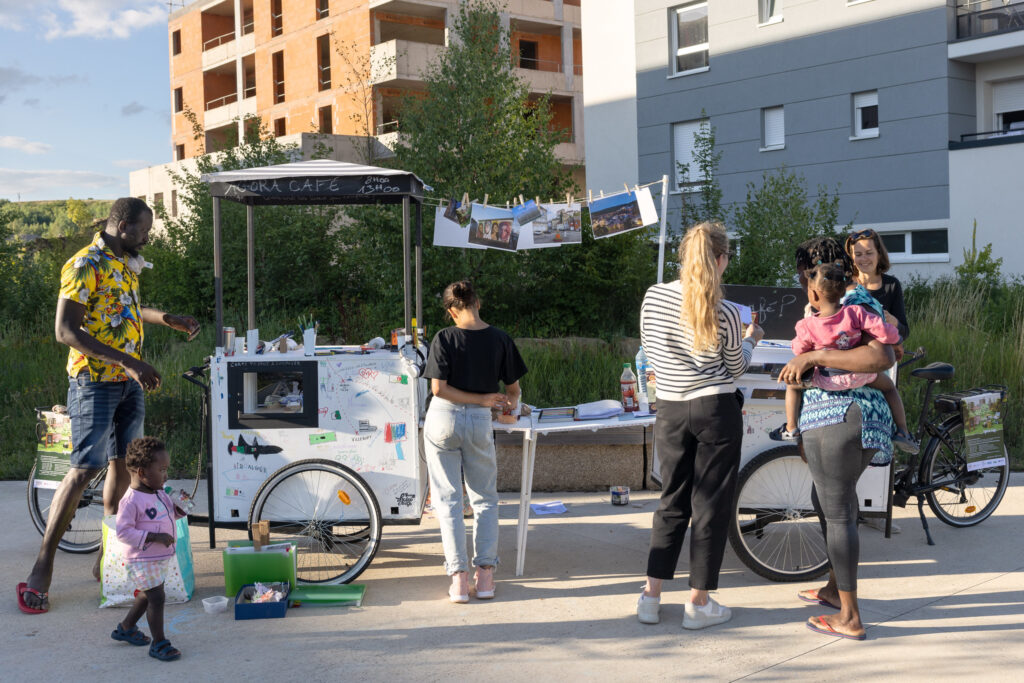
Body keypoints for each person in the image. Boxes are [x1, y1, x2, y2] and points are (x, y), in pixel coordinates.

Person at [17, 198, 200, 614]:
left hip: (128, 383)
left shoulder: (124, 262)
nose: (147, 237)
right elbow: (66, 330)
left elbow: (125, 311)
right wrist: (131, 361)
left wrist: (167, 318)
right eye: (143, 230)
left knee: (125, 468)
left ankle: (111, 559)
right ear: (121, 225)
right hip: (94, 382)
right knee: (84, 469)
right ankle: (43, 566)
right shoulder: (85, 265)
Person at [636, 222, 763, 629]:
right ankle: (699, 602)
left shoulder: (653, 297)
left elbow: (650, 353)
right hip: (715, 409)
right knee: (710, 505)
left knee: (670, 501)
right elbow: (736, 367)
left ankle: (650, 597)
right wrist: (752, 338)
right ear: (722, 259)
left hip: (670, 409)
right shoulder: (723, 310)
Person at [781, 237, 895, 641]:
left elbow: (882, 358)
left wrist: (813, 357)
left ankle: (850, 616)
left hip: (837, 416)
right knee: (833, 501)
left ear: (812, 274)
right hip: (865, 416)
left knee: (839, 512)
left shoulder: (854, 301)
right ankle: (834, 590)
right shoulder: (850, 301)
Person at [422, 280, 527, 603]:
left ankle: (458, 579)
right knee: (485, 500)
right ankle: (485, 577)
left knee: (449, 502)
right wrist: (498, 403)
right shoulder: (500, 339)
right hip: (479, 424)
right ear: (478, 303)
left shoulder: (444, 337)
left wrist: (476, 399)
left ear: (452, 310)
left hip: (443, 419)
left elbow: (438, 389)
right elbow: (513, 390)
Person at [773, 260, 917, 451]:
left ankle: (791, 428)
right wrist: (895, 339)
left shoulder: (807, 325)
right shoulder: (855, 312)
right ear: (842, 292)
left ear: (814, 294)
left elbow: (799, 351)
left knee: (793, 386)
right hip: (860, 376)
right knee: (890, 387)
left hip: (825, 379)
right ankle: (903, 431)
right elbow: (882, 330)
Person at [111, 437, 185, 661]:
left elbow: (169, 514)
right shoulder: (131, 500)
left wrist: (180, 509)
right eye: (162, 470)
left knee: (146, 595)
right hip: (142, 559)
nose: (166, 475)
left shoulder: (159, 492)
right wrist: (153, 536)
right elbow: (123, 532)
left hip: (158, 557)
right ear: (142, 473)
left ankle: (126, 628)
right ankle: (159, 643)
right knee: (157, 597)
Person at [846, 228, 910, 344]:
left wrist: (894, 322)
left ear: (879, 254)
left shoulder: (891, 285)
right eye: (858, 254)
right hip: (848, 356)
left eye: (869, 253)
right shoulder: (843, 284)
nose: (864, 259)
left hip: (883, 356)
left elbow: (904, 332)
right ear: (852, 257)